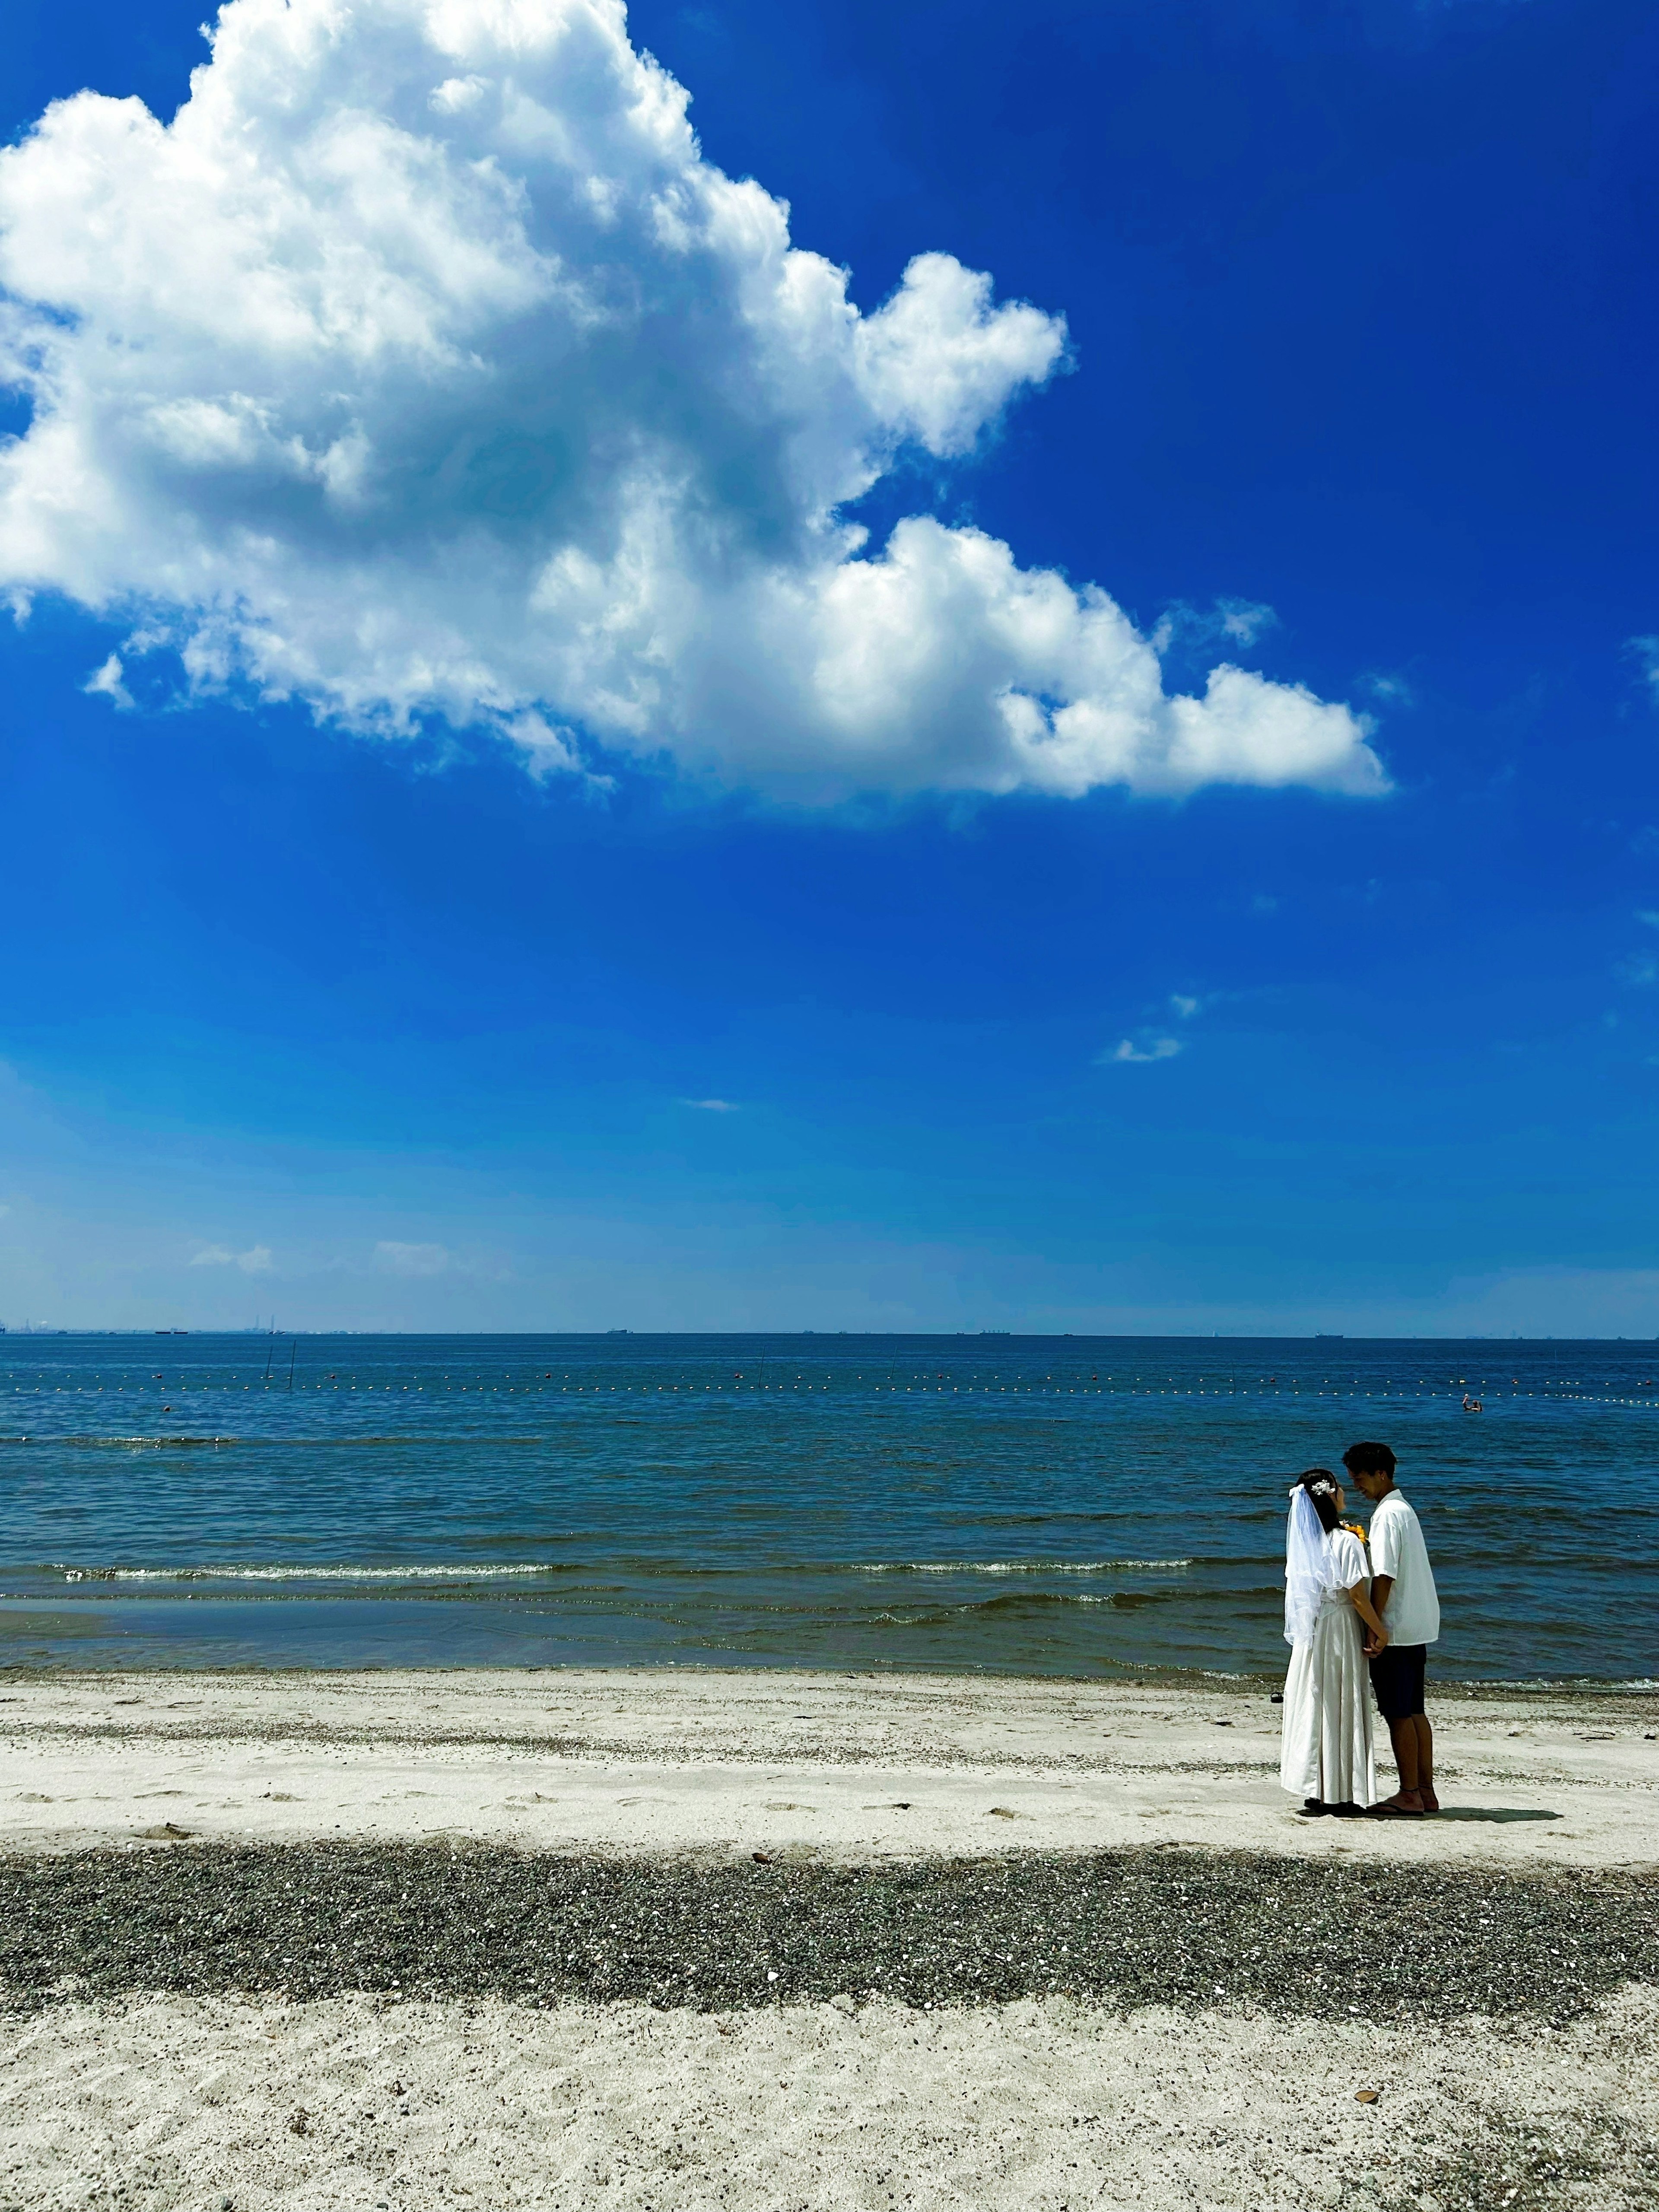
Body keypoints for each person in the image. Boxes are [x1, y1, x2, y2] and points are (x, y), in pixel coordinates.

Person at [1278, 1467, 1389, 1817]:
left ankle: (1315, 1789)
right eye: (1340, 1488)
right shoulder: (1347, 1541)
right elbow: (1357, 1597)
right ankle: (1341, 1792)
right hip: (1340, 1626)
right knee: (1341, 1701)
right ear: (1330, 1496)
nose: (1345, 1492)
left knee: (1316, 1701)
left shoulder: (1308, 1542)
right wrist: (1380, 1630)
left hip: (1313, 1629)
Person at [1342, 1440, 1440, 1817]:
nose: (1357, 1487)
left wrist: (1376, 1626)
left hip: (1397, 1625)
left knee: (1399, 1712)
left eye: (1361, 1478)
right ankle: (1426, 1792)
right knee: (1415, 1710)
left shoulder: (1387, 1514)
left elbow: (1383, 1574)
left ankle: (1410, 1793)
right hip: (1419, 1621)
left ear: (1381, 1474)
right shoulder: (1404, 1509)